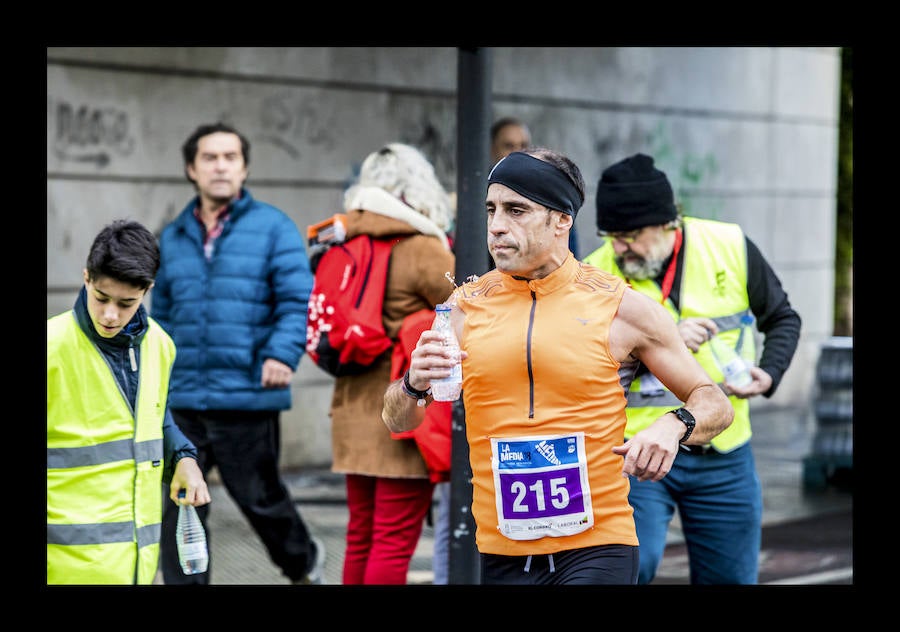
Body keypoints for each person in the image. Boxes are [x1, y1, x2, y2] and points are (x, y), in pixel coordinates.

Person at [382, 148, 734, 585]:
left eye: (516, 210)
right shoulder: (464, 308)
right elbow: (396, 421)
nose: (497, 226)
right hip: (502, 550)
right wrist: (412, 384)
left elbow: (714, 403)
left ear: (561, 220)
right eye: (491, 210)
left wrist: (674, 424)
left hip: (598, 544)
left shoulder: (622, 308)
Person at [583, 153, 802, 584]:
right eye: (611, 236)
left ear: (669, 222)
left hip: (723, 451)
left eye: (630, 236)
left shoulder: (729, 245)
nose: (620, 248)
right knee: (629, 567)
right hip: (637, 451)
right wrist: (661, 343)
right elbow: (584, 371)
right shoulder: (594, 275)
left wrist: (770, 371)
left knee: (731, 578)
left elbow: (782, 318)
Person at [151, 122, 324, 585]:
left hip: (247, 394)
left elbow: (298, 301)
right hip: (183, 397)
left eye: (231, 157)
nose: (221, 166)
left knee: (261, 500)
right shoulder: (173, 236)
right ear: (192, 169)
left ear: (245, 168)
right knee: (180, 502)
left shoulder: (273, 228)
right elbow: (161, 315)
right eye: (209, 158)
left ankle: (304, 567)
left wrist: (281, 354)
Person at [47, 219, 211, 585]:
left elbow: (154, 418)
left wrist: (183, 458)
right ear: (86, 278)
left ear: (147, 290)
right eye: (101, 298)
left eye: (126, 304)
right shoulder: (51, 346)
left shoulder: (160, 345)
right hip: (63, 566)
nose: (110, 315)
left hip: (136, 564)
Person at [330, 142, 456, 584]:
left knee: (360, 536)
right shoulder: (420, 246)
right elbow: (469, 306)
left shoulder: (347, 238)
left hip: (350, 409)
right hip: (401, 411)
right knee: (393, 539)